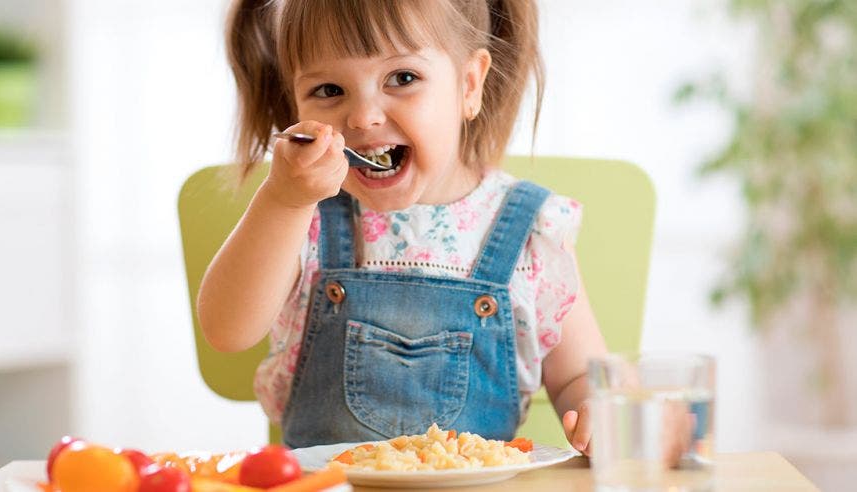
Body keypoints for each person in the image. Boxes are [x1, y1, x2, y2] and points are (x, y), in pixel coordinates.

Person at [198, 0, 607, 452]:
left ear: (468, 86)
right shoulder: (303, 217)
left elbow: (576, 376)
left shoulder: (532, 230)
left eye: (403, 78)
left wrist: (598, 412)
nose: (362, 117)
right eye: (330, 90)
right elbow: (226, 330)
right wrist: (282, 200)